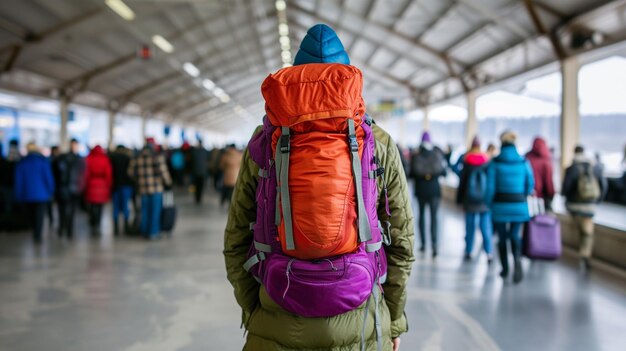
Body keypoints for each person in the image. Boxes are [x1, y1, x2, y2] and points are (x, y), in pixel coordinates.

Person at [224, 24, 414, 351]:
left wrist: (255, 310)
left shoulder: (263, 142)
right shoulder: (377, 142)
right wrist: (393, 319)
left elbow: (236, 238)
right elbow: (402, 242)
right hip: (363, 316)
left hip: (278, 305)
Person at [488, 131, 534, 284]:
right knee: (515, 235)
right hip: (519, 204)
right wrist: (522, 194)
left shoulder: (495, 162)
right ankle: (517, 261)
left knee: (502, 238)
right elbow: (530, 183)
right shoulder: (523, 162)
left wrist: (490, 203)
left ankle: (505, 268)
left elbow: (490, 187)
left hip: (500, 204)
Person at [562, 145, 605, 271]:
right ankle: (585, 255)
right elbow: (603, 185)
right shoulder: (594, 168)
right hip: (590, 206)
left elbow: (565, 189)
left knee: (579, 228)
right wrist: (596, 201)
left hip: (574, 206)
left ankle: (580, 253)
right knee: (587, 232)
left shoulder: (571, 168)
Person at [456, 136, 494, 263]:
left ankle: (469, 251)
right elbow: (490, 182)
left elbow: (462, 181)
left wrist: (459, 199)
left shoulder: (466, 159)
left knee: (470, 226)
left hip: (469, 198)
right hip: (484, 200)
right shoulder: (487, 159)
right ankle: (489, 252)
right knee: (485, 227)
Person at [410, 131, 446, 257]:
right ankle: (434, 244)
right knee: (434, 217)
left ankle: (424, 244)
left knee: (421, 216)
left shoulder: (416, 155)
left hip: (421, 190)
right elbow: (443, 171)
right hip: (434, 190)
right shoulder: (437, 154)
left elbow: (411, 173)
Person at [128, 140, 172, 239]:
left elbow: (130, 172)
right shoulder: (157, 157)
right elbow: (163, 173)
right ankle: (153, 232)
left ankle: (144, 231)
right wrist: (168, 183)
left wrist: (139, 180)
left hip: (143, 189)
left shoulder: (137, 158)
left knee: (145, 211)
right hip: (156, 189)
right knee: (155, 212)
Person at [13, 142, 55, 243]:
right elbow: (48, 178)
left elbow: (18, 181)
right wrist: (51, 191)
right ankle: (38, 235)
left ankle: (34, 231)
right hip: (42, 194)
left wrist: (18, 195)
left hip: (27, 195)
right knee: (39, 216)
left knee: (31, 214)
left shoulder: (22, 163)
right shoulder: (43, 162)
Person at [52, 138, 85, 239]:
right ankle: (64, 228)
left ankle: (66, 229)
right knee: (65, 209)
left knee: (70, 210)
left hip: (71, 187)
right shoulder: (72, 158)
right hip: (66, 187)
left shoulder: (75, 158)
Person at [83, 145, 112, 235]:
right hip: (102, 185)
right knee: (100, 206)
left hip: (91, 184)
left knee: (92, 205)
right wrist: (108, 185)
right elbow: (108, 174)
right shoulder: (105, 159)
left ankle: (93, 222)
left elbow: (85, 174)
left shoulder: (88, 159)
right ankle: (97, 223)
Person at [109, 145, 134, 235]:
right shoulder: (128, 158)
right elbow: (131, 173)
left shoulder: (112, 159)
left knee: (115, 207)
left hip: (115, 186)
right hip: (126, 186)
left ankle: (116, 228)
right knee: (125, 206)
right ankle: (126, 227)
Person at [525, 137, 555, 211]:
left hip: (529, 195)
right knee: (542, 220)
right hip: (542, 196)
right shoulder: (546, 160)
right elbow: (549, 180)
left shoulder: (527, 158)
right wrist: (551, 194)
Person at [0, 139, 20, 216]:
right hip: (10, 185)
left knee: (8, 205)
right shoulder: (17, 158)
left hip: (7, 185)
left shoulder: (6, 159)